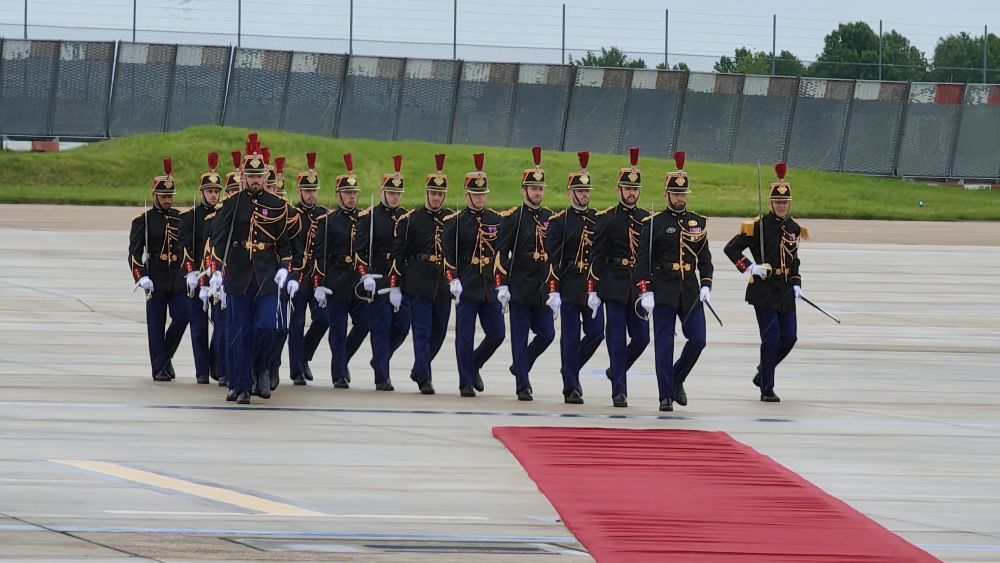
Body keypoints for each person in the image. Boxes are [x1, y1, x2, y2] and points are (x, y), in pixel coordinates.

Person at [208, 132, 295, 404]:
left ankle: (260, 368)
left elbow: (285, 243)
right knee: (240, 333)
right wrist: (216, 271)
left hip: (266, 277)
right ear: (243, 177)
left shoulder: (277, 206)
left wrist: (284, 267)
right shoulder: (232, 205)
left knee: (267, 327)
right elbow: (218, 240)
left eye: (259, 176)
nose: (255, 181)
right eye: (251, 176)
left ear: (265, 177)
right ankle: (241, 386)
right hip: (239, 276)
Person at [724, 161, 809, 403]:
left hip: (785, 291)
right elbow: (731, 249)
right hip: (764, 290)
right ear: (771, 203)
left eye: (785, 202)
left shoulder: (793, 228)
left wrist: (797, 282)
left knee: (790, 337)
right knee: (771, 338)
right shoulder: (758, 226)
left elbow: (794, 260)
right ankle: (767, 388)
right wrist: (751, 267)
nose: (782, 206)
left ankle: (763, 372)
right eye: (778, 202)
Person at [635, 151, 713, 412]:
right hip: (664, 289)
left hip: (690, 291)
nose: (680, 198)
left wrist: (706, 284)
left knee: (698, 340)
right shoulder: (654, 223)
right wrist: (645, 290)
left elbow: (705, 258)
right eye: (675, 194)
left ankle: (676, 378)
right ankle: (665, 395)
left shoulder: (697, 222)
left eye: (683, 194)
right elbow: (642, 261)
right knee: (664, 344)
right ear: (666, 195)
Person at [441, 153, 505, 397]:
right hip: (466, 285)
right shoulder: (455, 222)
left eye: (483, 194)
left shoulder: (495, 220)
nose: (480, 198)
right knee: (464, 337)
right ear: (467, 195)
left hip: (488, 286)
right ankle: (465, 382)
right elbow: (448, 254)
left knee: (497, 333)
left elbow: (502, 253)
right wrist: (453, 278)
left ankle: (475, 363)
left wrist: (503, 283)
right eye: (475, 194)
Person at [592, 147, 650, 407]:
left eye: (635, 189)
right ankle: (619, 391)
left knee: (642, 338)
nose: (631, 193)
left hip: (638, 288)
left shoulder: (647, 219)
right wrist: (593, 288)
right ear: (619, 190)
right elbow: (596, 255)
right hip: (613, 286)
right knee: (616, 341)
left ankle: (615, 370)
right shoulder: (607, 219)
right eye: (627, 188)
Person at [544, 150, 603, 404]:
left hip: (591, 285)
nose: (585, 195)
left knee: (596, 333)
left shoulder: (598, 219)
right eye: (580, 191)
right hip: (569, 283)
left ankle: (570, 368)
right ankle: (571, 387)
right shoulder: (559, 222)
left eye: (587, 191)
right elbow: (552, 258)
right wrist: (553, 289)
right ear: (571, 193)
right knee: (570, 338)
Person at [497, 146, 555, 401]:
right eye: (533, 188)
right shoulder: (513, 218)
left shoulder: (550, 217)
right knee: (519, 338)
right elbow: (501, 252)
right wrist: (502, 283)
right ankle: (522, 384)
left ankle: (521, 365)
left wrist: (554, 287)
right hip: (520, 284)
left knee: (547, 334)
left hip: (541, 287)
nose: (537, 193)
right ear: (524, 191)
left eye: (540, 188)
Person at [397, 154, 453, 395]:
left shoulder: (452, 219)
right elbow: (402, 253)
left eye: (440, 194)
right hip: (419, 281)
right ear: (426, 193)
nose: (437, 198)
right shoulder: (413, 219)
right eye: (433, 193)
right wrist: (399, 283)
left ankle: (419, 368)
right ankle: (425, 379)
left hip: (442, 282)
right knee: (422, 332)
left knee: (439, 333)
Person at [128, 158, 188, 382]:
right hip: (155, 277)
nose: (168, 200)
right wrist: (141, 276)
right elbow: (134, 253)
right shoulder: (143, 221)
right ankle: (159, 368)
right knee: (155, 325)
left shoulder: (180, 219)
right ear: (154, 196)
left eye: (170, 196)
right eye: (163, 196)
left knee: (183, 315)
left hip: (177, 278)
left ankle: (165, 357)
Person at [312, 153, 368, 389]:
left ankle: (343, 359)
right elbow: (319, 255)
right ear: (338, 195)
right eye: (347, 193)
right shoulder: (328, 222)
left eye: (354, 193)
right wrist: (319, 283)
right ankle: (339, 374)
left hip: (357, 280)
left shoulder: (365, 219)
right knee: (338, 328)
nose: (352, 197)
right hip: (335, 279)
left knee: (365, 322)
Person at [354, 155, 410, 391]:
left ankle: (380, 358)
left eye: (398, 193)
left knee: (403, 326)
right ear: (382, 192)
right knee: (381, 327)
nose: (395, 197)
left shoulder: (406, 217)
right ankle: (382, 377)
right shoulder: (370, 217)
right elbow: (359, 250)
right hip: (378, 276)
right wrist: (364, 275)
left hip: (399, 278)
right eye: (391, 193)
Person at [286, 152, 330, 386]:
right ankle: (296, 371)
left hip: (318, 277)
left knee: (323, 318)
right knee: (295, 323)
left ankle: (304, 355)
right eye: (307, 190)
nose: (311, 195)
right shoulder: (291, 215)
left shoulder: (324, 215)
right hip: (298, 276)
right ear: (299, 191)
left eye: (314, 190)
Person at [180, 152, 223, 385]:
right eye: (209, 191)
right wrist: (190, 271)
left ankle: (216, 362)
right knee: (198, 326)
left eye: (216, 191)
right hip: (197, 277)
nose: (213, 195)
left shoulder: (224, 215)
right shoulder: (190, 218)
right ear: (201, 192)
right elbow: (184, 246)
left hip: (215, 278)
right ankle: (201, 371)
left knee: (220, 324)